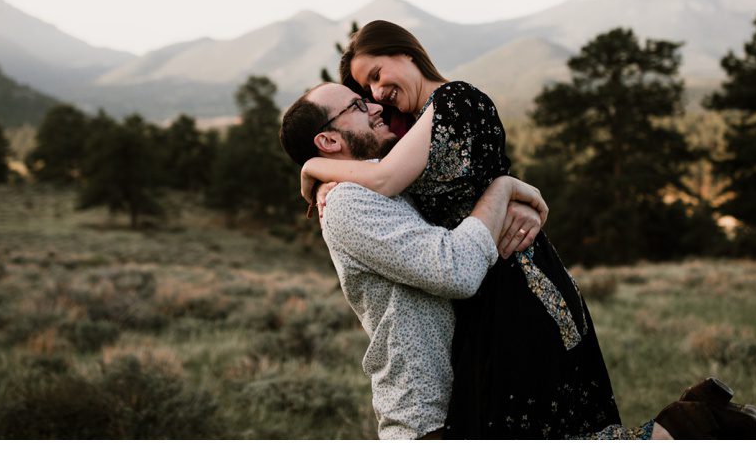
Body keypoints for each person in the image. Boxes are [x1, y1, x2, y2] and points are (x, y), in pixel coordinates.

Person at [298, 21, 654, 439]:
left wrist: (312, 167)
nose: (376, 94)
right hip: (483, 294)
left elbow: (386, 179)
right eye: (366, 91)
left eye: (376, 75)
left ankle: (696, 424)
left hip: (516, 284)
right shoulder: (412, 129)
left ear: (405, 53)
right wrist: (512, 191)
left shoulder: (454, 99)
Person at [279, 81, 551, 439]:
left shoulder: (388, 186)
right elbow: (456, 270)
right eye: (358, 106)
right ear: (329, 141)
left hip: (474, 403)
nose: (377, 106)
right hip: (427, 421)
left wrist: (517, 203)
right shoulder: (347, 203)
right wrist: (501, 189)